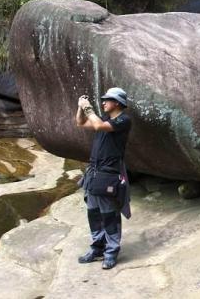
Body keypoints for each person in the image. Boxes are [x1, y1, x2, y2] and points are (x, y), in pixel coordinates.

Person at [75, 87, 132, 270]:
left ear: (117, 102)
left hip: (109, 174)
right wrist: (80, 107)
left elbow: (98, 126)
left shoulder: (123, 120)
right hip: (93, 173)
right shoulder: (104, 119)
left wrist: (88, 107)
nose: (103, 103)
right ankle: (97, 248)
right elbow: (80, 123)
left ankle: (111, 252)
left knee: (109, 215)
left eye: (107, 100)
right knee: (93, 213)